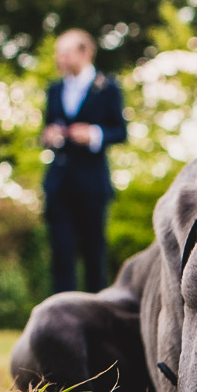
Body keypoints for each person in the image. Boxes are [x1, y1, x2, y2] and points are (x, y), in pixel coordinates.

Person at [40, 28, 127, 294]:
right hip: (59, 184)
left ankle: (95, 317)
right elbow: (46, 129)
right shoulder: (54, 89)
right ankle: (61, 318)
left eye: (65, 52)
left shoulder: (108, 86)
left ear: (85, 52)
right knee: (61, 255)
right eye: (58, 53)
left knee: (93, 254)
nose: (59, 58)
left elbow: (120, 131)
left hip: (92, 184)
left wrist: (93, 134)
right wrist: (48, 136)